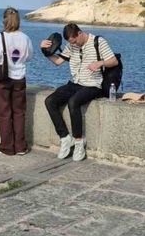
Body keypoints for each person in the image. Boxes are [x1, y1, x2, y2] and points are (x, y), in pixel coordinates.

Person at [40, 23, 117, 162]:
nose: (73, 44)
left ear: (80, 33)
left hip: (93, 85)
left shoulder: (98, 41)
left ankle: (79, 142)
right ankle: (65, 138)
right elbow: (58, 61)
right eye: (70, 42)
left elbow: (114, 61)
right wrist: (44, 51)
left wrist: (100, 63)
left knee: (73, 102)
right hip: (75, 83)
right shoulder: (72, 45)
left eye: (74, 41)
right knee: (50, 101)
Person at [0, 7, 33, 156]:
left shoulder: (1, 37)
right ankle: (20, 146)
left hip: (4, 80)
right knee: (19, 113)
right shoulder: (25, 38)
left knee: (3, 113)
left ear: (4, 20)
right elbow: (29, 57)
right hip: (20, 78)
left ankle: (6, 146)